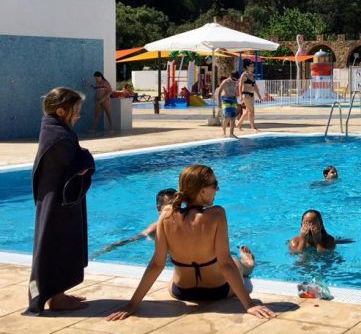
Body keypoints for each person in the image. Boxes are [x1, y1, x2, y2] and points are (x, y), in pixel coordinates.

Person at [106, 164, 274, 321]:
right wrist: (249, 304)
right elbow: (225, 265)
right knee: (235, 262)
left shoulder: (165, 215)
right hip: (217, 291)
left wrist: (132, 304)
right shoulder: (216, 214)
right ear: (201, 191)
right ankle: (248, 263)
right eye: (214, 185)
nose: (218, 189)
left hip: (180, 292)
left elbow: (157, 264)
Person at [27, 87, 96, 314]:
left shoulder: (55, 130)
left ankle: (59, 292)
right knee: (57, 245)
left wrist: (81, 157)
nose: (77, 115)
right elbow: (74, 164)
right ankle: (56, 298)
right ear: (60, 111)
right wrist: (86, 158)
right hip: (57, 204)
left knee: (63, 244)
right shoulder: (58, 136)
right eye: (75, 111)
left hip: (58, 201)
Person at [90, 189, 177, 259]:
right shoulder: (154, 230)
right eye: (170, 205)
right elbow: (129, 240)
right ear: (159, 208)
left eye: (178, 204)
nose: (176, 208)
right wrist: (100, 252)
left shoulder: (187, 222)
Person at [237, 60, 261, 131]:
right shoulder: (244, 75)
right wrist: (240, 96)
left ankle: (238, 124)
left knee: (247, 111)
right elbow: (240, 86)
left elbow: (255, 86)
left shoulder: (252, 75)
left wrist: (259, 95)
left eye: (253, 66)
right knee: (251, 110)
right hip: (246, 94)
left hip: (251, 94)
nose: (253, 67)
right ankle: (253, 127)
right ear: (247, 67)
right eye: (251, 66)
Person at [216, 72, 240, 138]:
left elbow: (235, 92)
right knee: (227, 117)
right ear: (231, 76)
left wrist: (236, 101)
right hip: (225, 99)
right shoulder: (225, 82)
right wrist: (219, 102)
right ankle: (224, 131)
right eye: (234, 79)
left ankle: (231, 133)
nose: (236, 80)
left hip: (233, 100)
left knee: (232, 117)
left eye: (236, 79)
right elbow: (219, 92)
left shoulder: (235, 82)